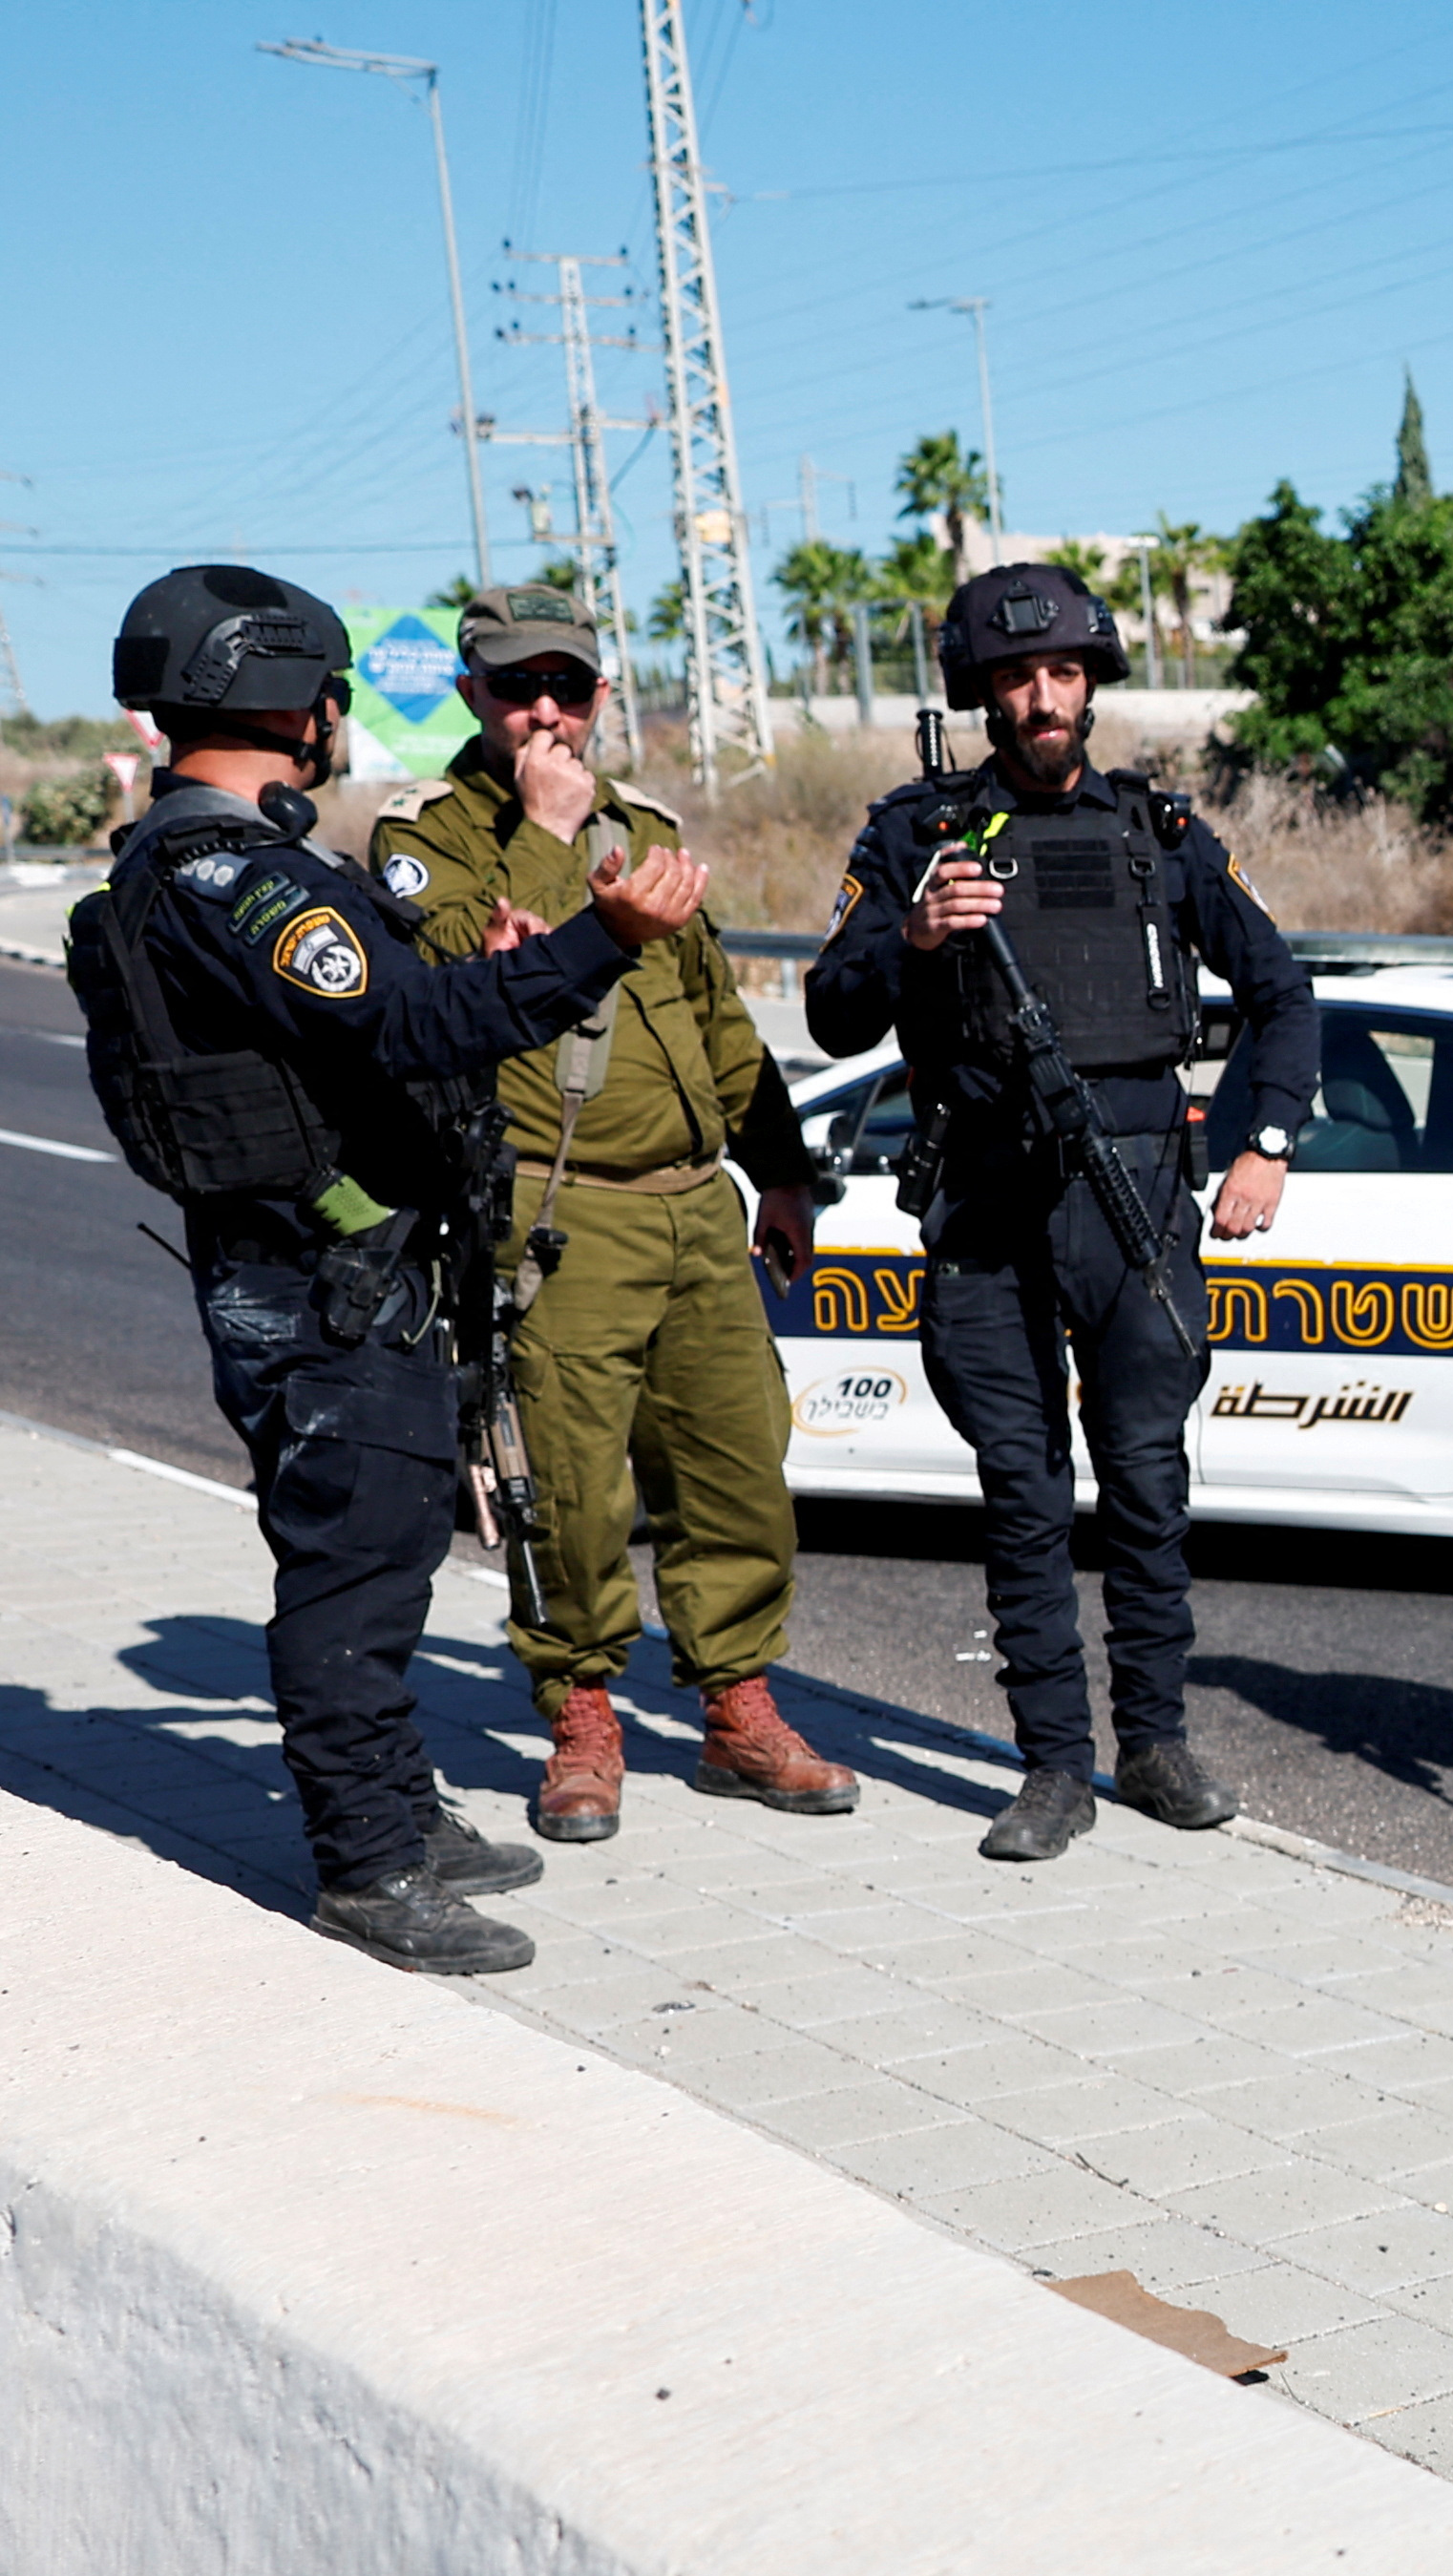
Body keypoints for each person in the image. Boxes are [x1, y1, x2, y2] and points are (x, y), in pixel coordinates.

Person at [68, 563, 712, 1974]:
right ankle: (368, 1864)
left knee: (390, 1544)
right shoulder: (236, 875)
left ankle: (401, 1814)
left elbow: (354, 1029)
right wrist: (607, 938)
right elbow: (411, 1025)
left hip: (317, 1265)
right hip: (324, 1280)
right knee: (353, 1569)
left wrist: (494, 966)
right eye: (333, 693)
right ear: (292, 699)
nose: (342, 718)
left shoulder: (181, 864)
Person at [802, 558, 1316, 1863]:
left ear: (1092, 684)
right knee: (1021, 1492)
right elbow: (831, 1007)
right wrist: (914, 936)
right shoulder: (913, 835)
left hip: (1134, 1188)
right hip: (984, 1190)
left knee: (1146, 1480)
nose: (1044, 697)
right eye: (1020, 676)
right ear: (983, 690)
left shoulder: (1162, 832)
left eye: (1066, 673)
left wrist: (1264, 1142)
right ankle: (1052, 1764)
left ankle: (1154, 1740)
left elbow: (1282, 991)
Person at [374, 583, 857, 1843]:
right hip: (556, 1202)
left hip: (694, 1204)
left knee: (737, 1465)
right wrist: (546, 832)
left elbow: (719, 1021)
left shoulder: (645, 825)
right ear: (474, 694)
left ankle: (739, 1706)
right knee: (569, 1485)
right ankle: (583, 1716)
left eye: (569, 685)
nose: (546, 709)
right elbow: (473, 984)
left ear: (599, 690)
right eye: (516, 685)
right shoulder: (430, 833)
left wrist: (783, 1170)